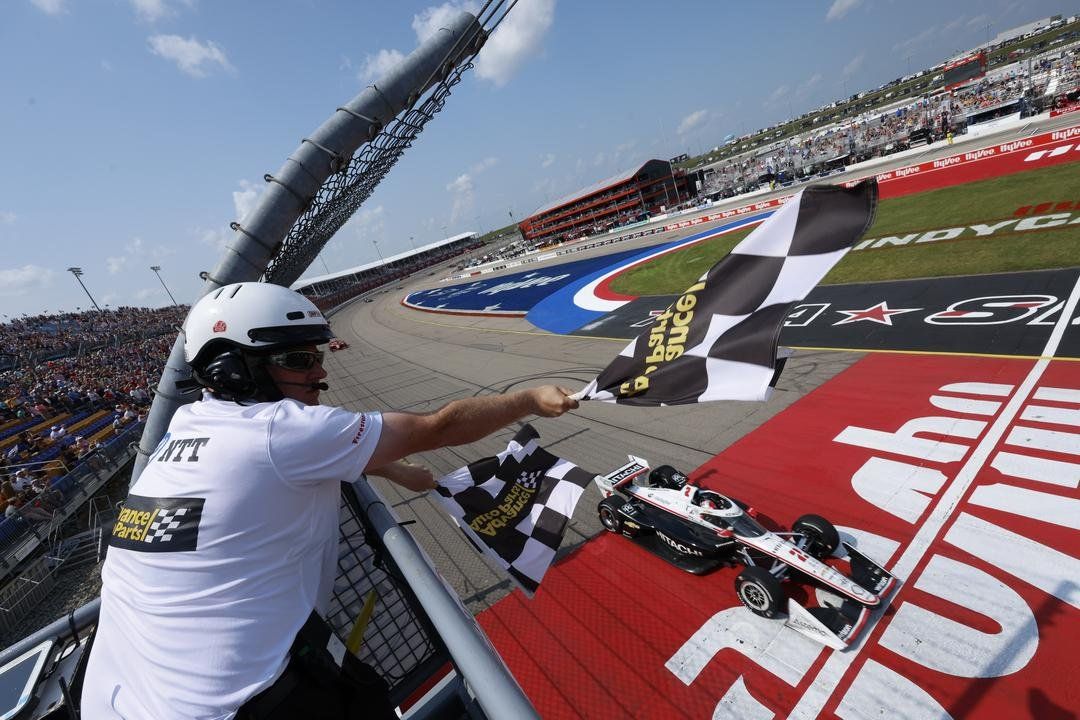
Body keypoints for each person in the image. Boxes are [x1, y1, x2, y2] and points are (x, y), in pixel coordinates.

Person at [82, 282, 578, 720]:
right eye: (299, 360)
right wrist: (529, 400)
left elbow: (295, 458)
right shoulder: (280, 432)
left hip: (122, 696)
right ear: (234, 369)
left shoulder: (186, 427)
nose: (319, 373)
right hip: (237, 703)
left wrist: (395, 469)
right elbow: (438, 428)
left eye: (319, 355)